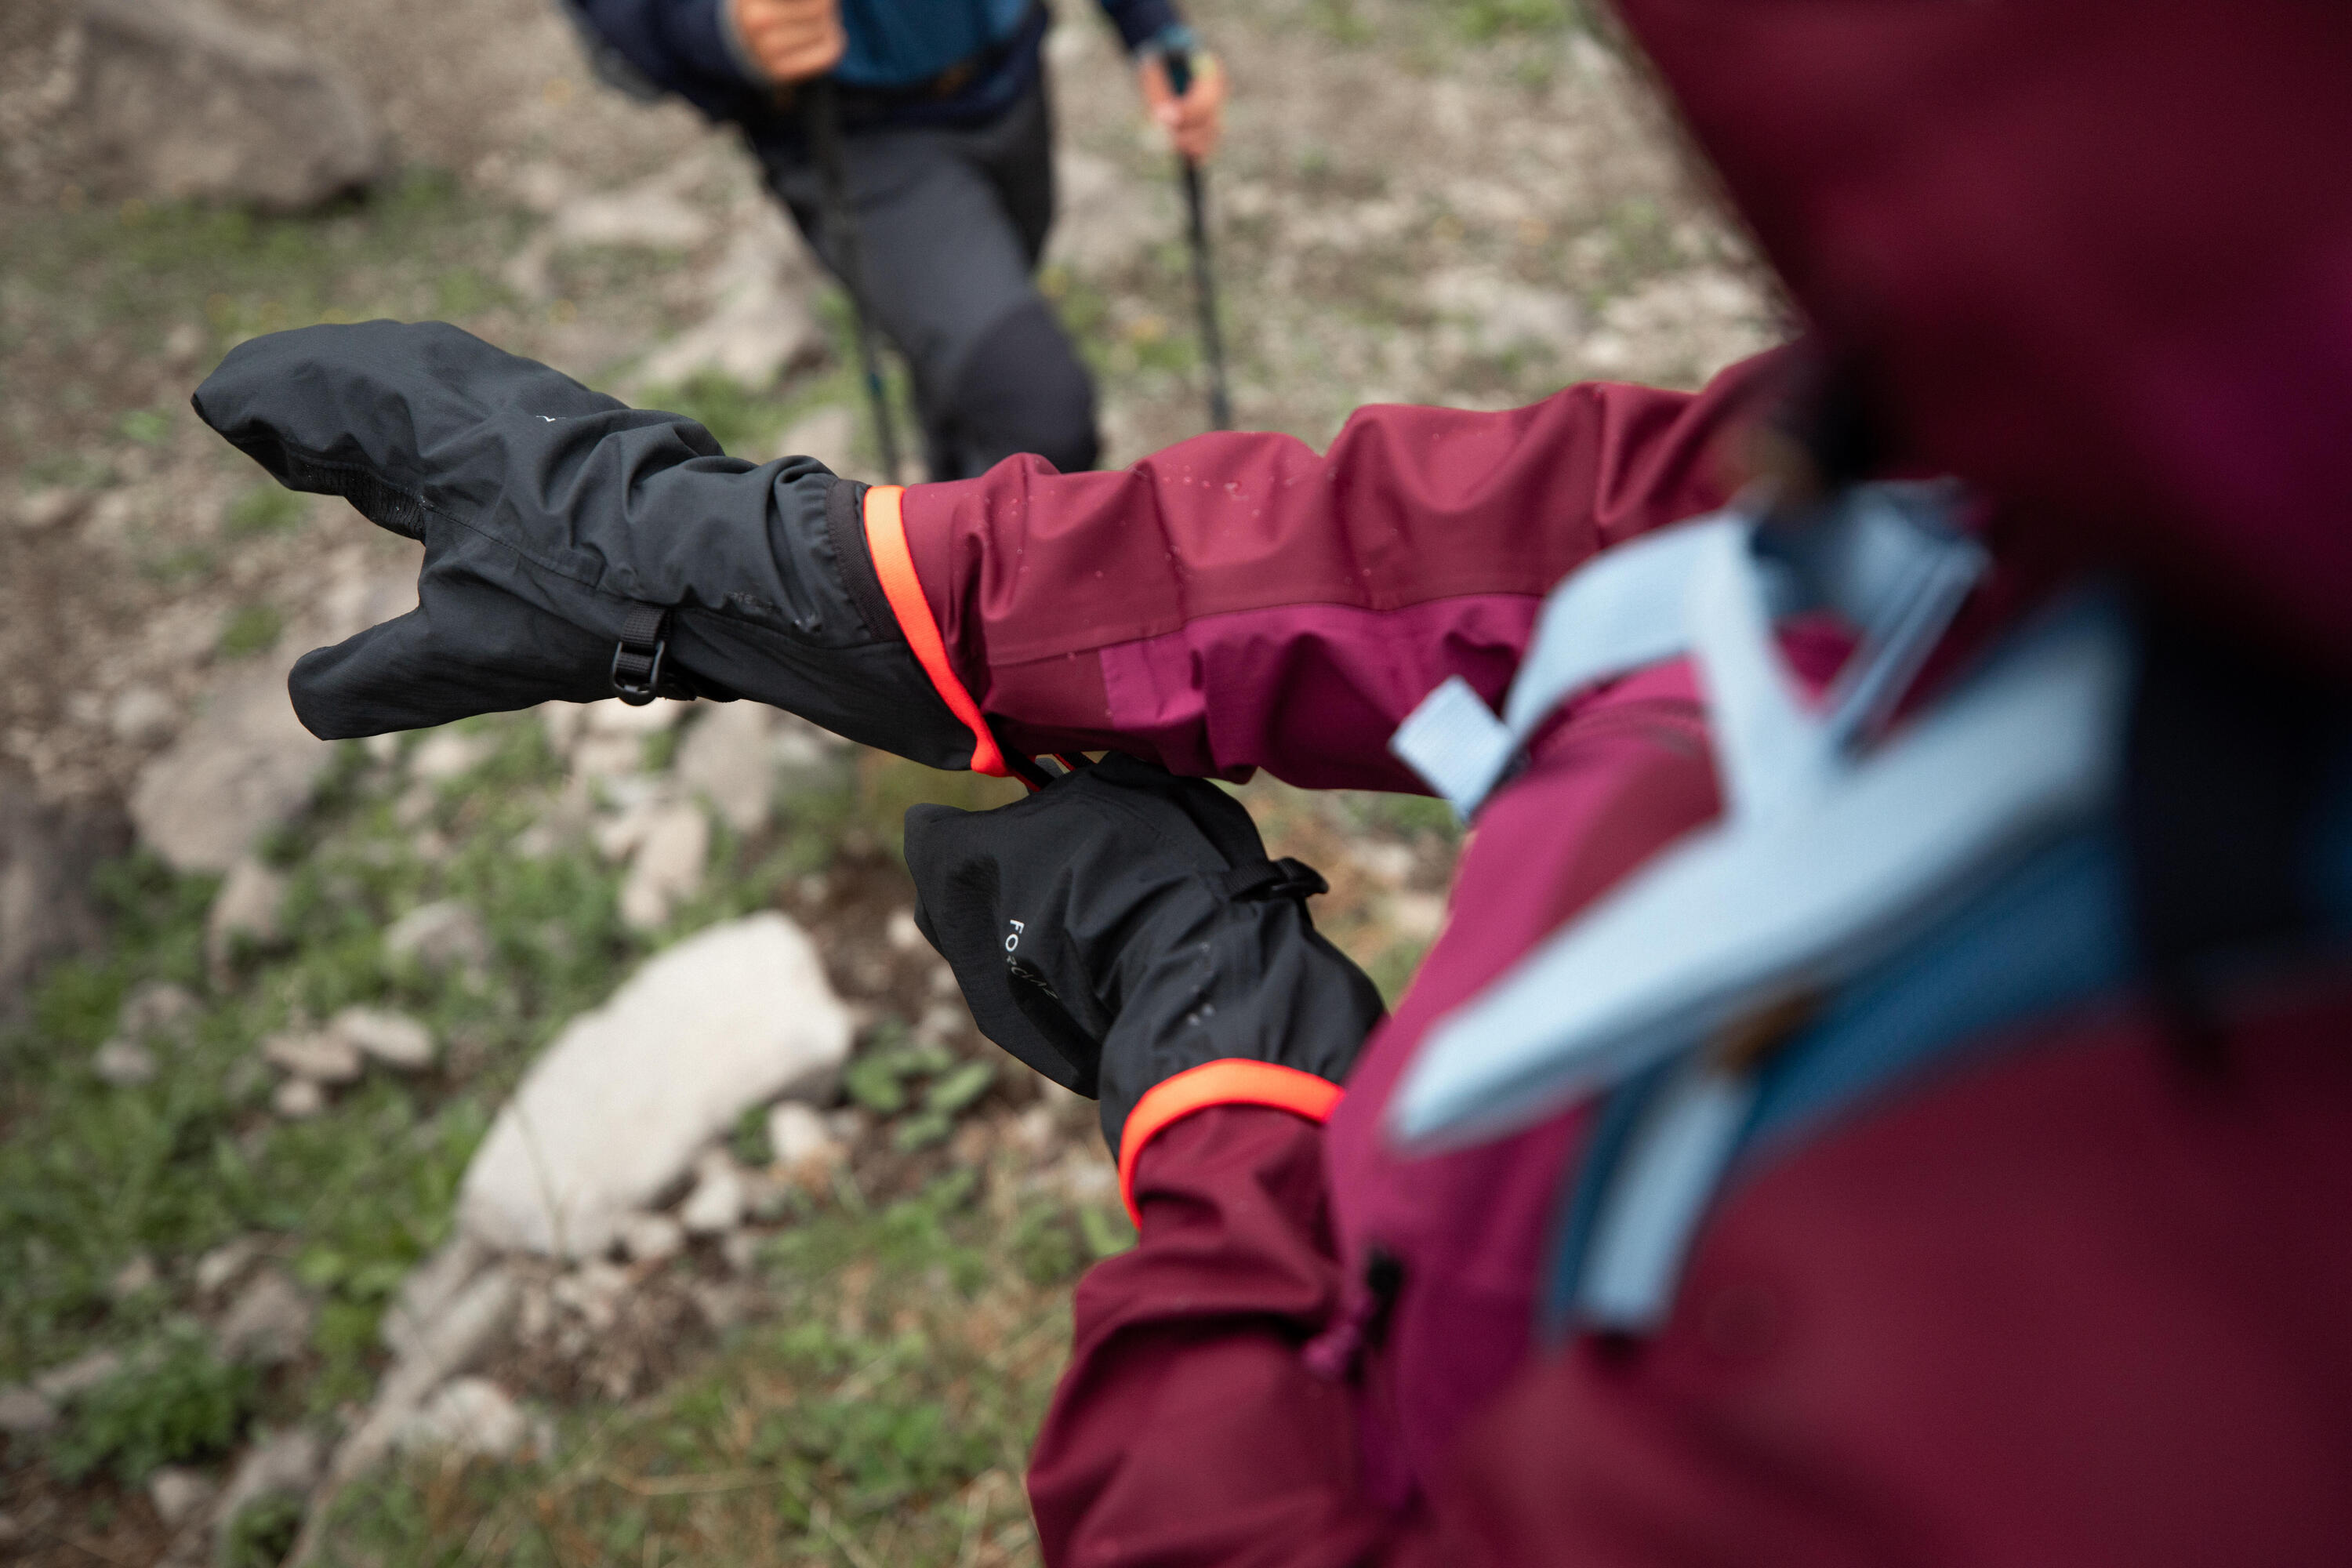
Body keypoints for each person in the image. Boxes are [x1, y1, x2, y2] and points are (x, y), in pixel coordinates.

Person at [192, 0, 2352, 1559]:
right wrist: (813, 574)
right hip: (881, 144)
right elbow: (1626, 537)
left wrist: (1226, 1083)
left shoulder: (2189, 1375)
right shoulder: (2140, 453)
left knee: (1014, 350)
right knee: (1010, 362)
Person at [561, 0, 1226, 480]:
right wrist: (718, 27)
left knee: (977, 377)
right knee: (1041, 417)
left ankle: (953, 567)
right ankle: (989, 632)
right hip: (856, 134)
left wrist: (1151, 28)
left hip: (1014, 81)